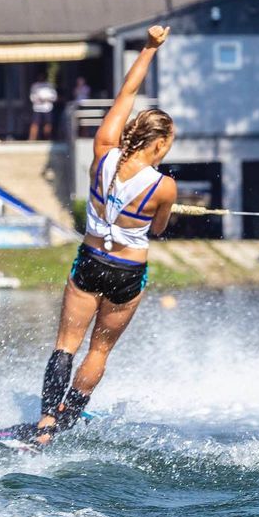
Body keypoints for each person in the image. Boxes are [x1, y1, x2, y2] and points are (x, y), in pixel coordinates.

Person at [33, 24, 177, 444]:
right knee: (99, 351)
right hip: (128, 271)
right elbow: (160, 229)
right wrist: (162, 208)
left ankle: (44, 425)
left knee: (66, 345)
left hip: (91, 261)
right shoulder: (164, 186)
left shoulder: (102, 152)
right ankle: (67, 425)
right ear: (160, 144)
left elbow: (126, 95)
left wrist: (149, 48)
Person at [28, 73, 57, 141]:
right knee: (35, 124)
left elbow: (54, 97)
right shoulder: (35, 86)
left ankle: (47, 138)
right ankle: (32, 139)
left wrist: (47, 99)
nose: (41, 78)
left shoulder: (50, 85)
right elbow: (32, 97)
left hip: (47, 108)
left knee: (47, 124)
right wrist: (38, 99)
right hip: (37, 108)